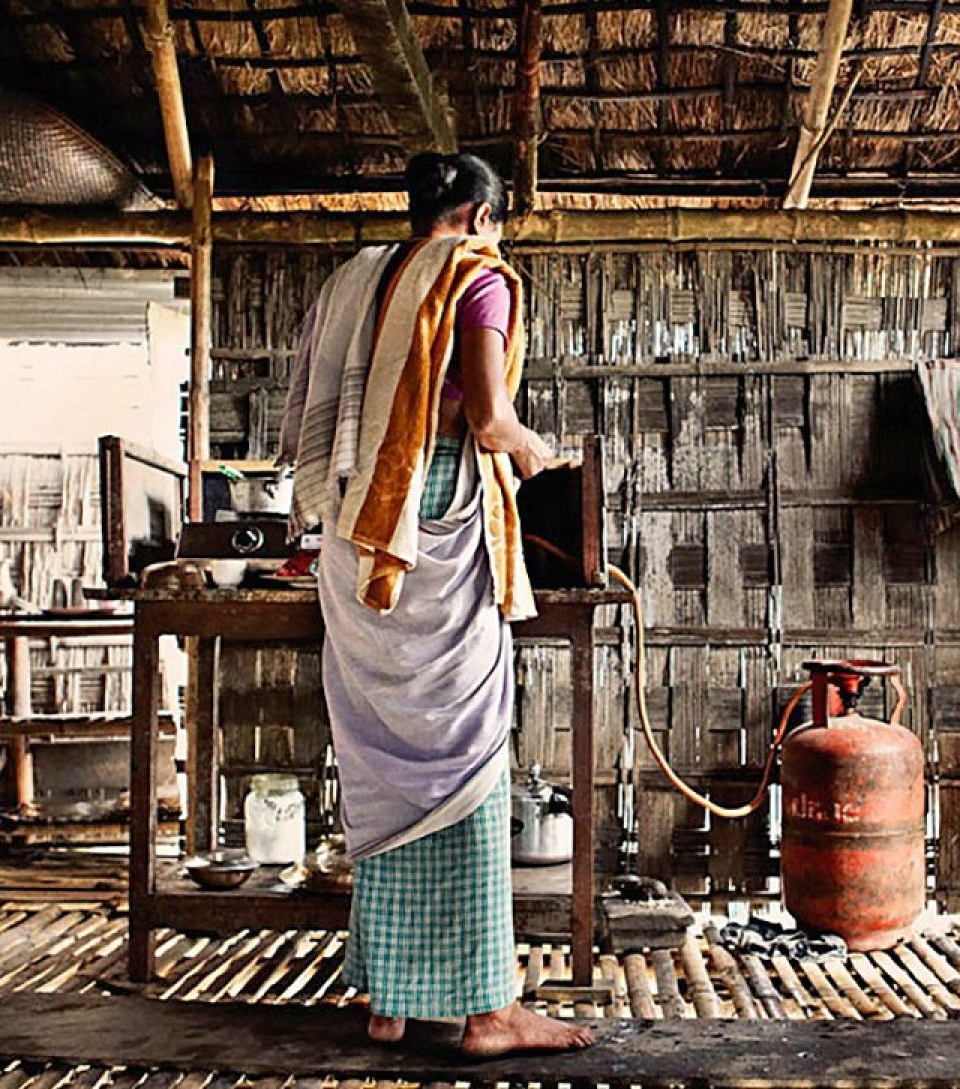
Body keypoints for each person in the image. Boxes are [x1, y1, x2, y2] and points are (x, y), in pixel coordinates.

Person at [278, 152, 595, 1056]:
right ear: (485, 217)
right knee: (467, 756)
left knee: (381, 761)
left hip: (354, 535)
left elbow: (321, 412)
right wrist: (541, 453)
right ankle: (490, 1010)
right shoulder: (475, 278)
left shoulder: (354, 279)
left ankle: (391, 997)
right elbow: (489, 418)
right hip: (432, 531)